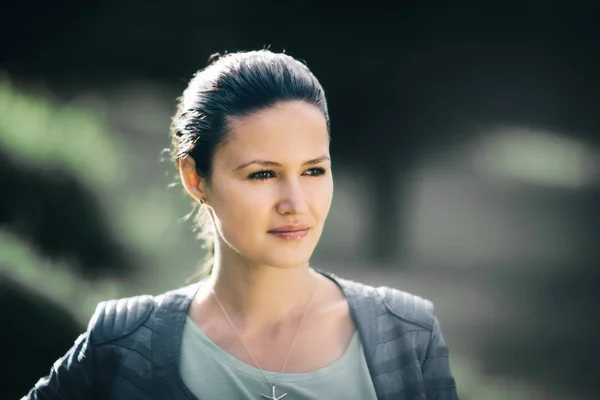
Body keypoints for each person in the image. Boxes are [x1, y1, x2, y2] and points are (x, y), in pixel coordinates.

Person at [23, 50, 459, 399]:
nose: (295, 203)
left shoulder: (407, 335)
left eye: (313, 171)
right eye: (262, 174)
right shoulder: (122, 344)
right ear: (195, 178)